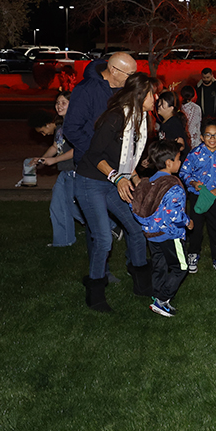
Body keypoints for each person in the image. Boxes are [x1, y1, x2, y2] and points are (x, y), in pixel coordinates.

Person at [75, 72, 160, 312]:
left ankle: (142, 285)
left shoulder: (140, 119)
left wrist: (136, 179)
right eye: (152, 93)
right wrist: (117, 178)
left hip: (113, 181)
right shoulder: (114, 118)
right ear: (140, 94)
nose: (155, 98)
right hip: (90, 181)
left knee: (135, 229)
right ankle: (95, 294)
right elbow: (93, 155)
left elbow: (128, 159)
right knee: (103, 238)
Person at [130, 139, 192, 317]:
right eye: (179, 159)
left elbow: (136, 207)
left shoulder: (147, 182)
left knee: (160, 264)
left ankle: (157, 294)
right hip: (170, 235)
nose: (180, 162)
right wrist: (188, 222)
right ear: (169, 163)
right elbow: (174, 215)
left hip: (152, 234)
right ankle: (162, 300)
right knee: (181, 267)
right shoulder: (173, 185)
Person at [180, 118, 216, 274]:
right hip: (197, 196)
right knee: (195, 227)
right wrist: (192, 183)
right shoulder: (194, 154)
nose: (212, 139)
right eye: (208, 135)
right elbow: (184, 172)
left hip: (215, 197)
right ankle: (193, 254)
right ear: (201, 137)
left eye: (215, 135)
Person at [28, 90, 84, 247]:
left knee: (77, 207)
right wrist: (42, 159)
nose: (59, 106)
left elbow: (78, 149)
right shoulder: (61, 126)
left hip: (76, 171)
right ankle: (63, 242)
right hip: (65, 172)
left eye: (63, 102)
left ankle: (111, 225)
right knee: (57, 206)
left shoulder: (76, 124)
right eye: (57, 103)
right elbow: (55, 146)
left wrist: (55, 160)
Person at [65, 52, 138, 169]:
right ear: (114, 70)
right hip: (91, 167)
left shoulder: (125, 91)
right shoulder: (86, 90)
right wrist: (96, 152)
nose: (132, 79)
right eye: (130, 74)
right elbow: (72, 129)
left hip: (119, 164)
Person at [155, 90, 189, 159]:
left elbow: (180, 147)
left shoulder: (173, 124)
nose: (159, 105)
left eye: (162, 104)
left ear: (171, 108)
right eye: (159, 102)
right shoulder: (165, 122)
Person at [180, 84, 202, 150]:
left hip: (183, 137)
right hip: (194, 140)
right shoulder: (196, 108)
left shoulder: (180, 106)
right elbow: (194, 124)